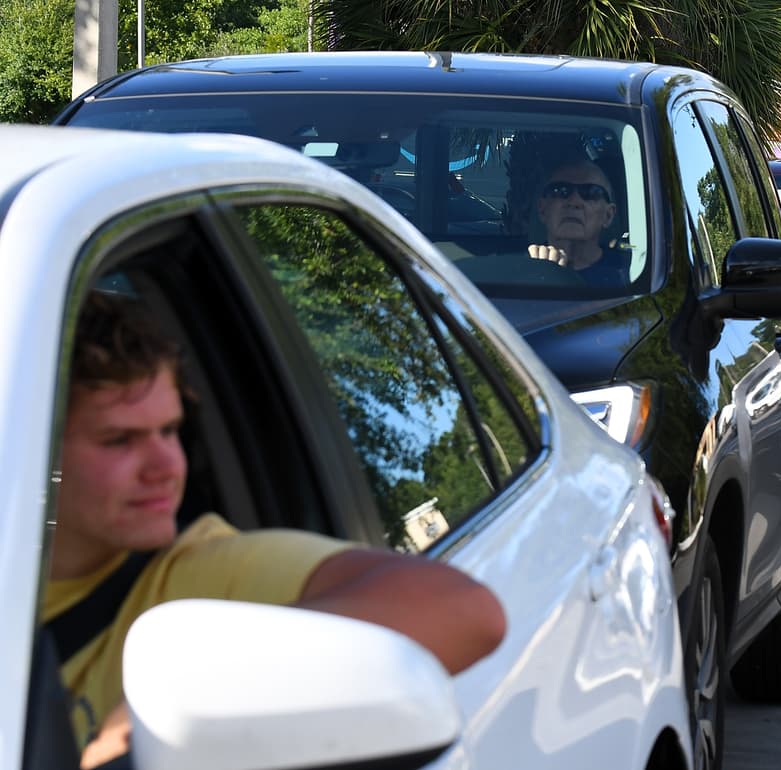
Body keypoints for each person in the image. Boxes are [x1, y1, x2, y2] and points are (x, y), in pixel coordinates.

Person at [43, 292, 507, 768]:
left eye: (170, 430)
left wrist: (160, 715)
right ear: (31, 453)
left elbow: (467, 609)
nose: (167, 466)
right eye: (119, 440)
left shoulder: (194, 576)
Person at [527, 159, 631, 285]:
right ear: (542, 210)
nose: (574, 202)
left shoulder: (630, 274)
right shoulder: (521, 269)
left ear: (608, 215)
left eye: (591, 192)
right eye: (560, 191)